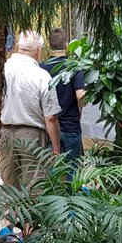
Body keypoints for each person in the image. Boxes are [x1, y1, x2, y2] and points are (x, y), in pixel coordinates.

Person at [0, 31, 61, 188]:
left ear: (17, 47)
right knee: (34, 186)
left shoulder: (2, 69)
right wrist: (56, 149)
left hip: (5, 133)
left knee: (10, 187)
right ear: (39, 51)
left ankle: (10, 206)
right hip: (32, 135)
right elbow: (51, 117)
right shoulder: (42, 76)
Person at [40, 28, 86, 170]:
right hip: (70, 126)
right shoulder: (74, 67)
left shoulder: (41, 68)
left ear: (49, 45)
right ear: (67, 44)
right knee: (72, 169)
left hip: (48, 127)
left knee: (52, 170)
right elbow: (81, 96)